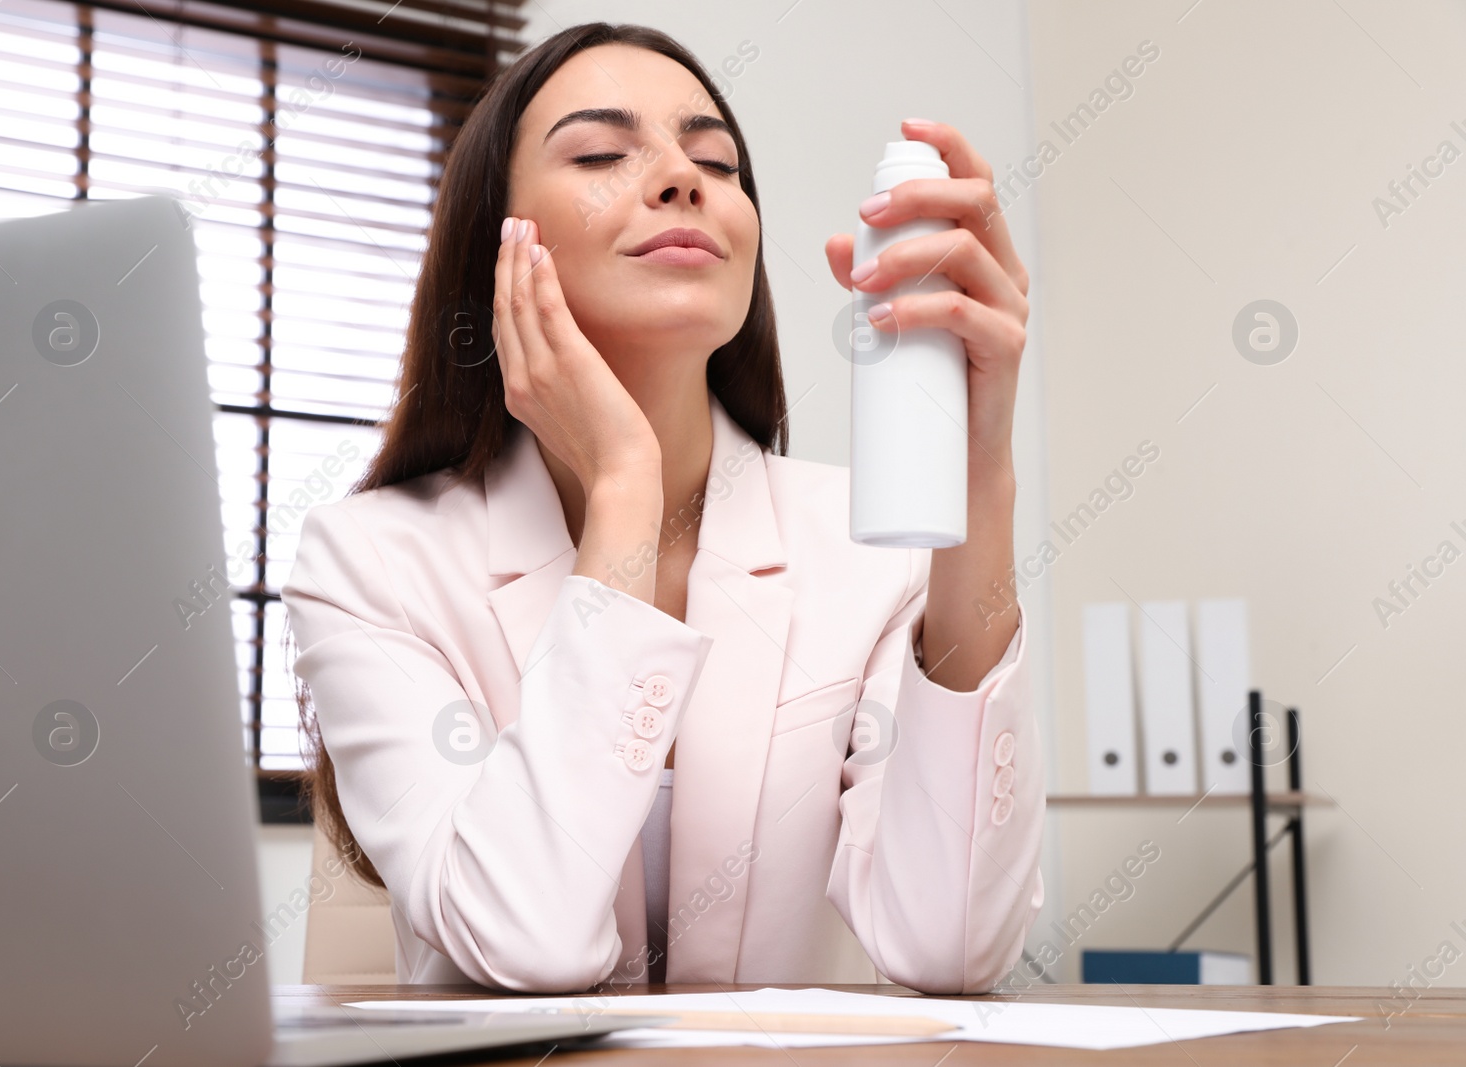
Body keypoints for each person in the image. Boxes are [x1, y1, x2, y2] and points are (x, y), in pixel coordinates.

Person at [282, 20, 1040, 995]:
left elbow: (952, 946)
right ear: (495, 249)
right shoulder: (370, 559)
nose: (683, 177)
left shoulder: (868, 546)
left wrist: (978, 472)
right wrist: (624, 487)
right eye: (600, 153)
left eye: (715, 162)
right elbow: (526, 938)